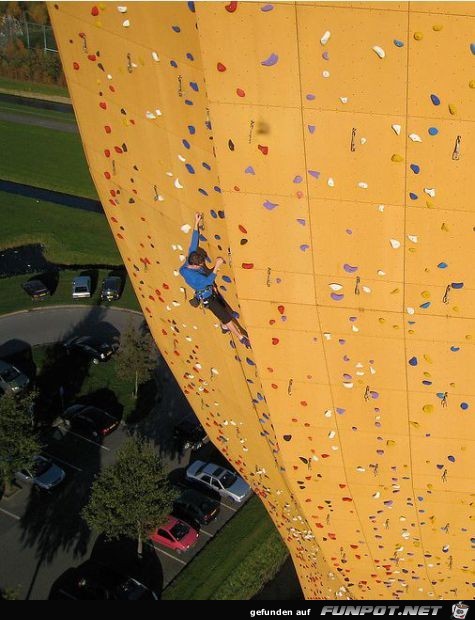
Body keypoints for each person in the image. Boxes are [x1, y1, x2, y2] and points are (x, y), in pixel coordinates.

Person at [179, 213, 250, 348]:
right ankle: (241, 338)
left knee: (224, 314)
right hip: (207, 298)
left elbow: (194, 242)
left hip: (211, 292)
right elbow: (208, 280)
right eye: (200, 265)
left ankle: (224, 327)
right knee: (226, 317)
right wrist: (217, 266)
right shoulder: (191, 276)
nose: (202, 265)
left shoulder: (191, 258)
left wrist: (196, 223)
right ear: (194, 265)